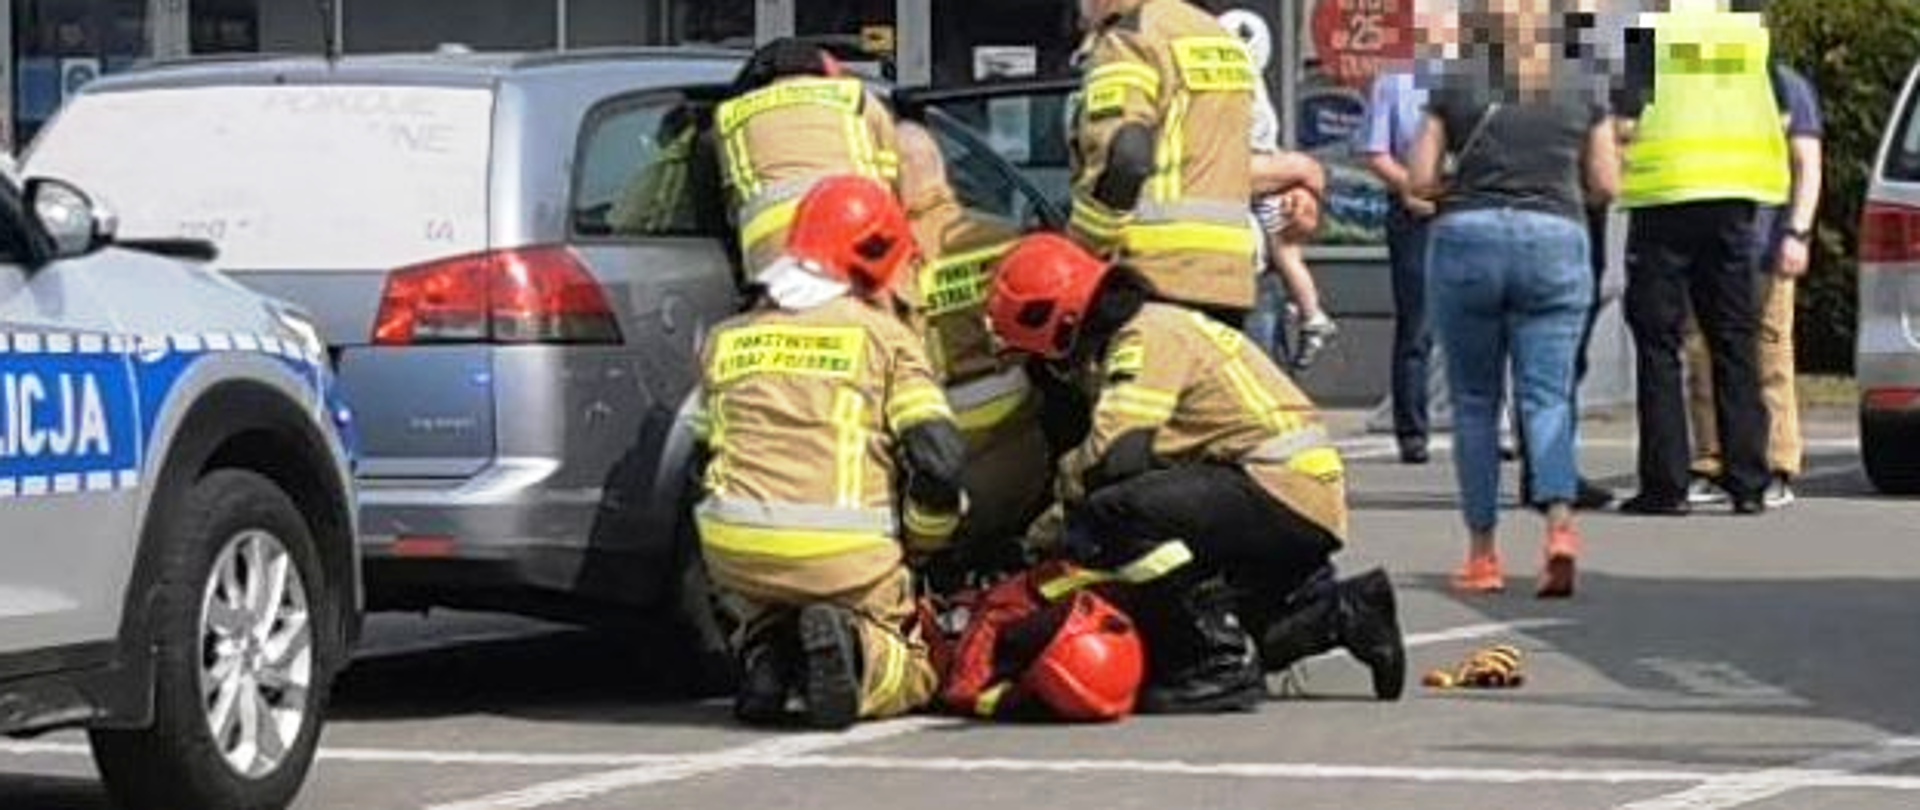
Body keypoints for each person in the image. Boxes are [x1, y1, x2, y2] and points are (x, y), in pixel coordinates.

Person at [989, 233, 1405, 714]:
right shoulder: (1159, 325)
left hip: (1276, 487)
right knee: (1202, 644)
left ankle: (1217, 664)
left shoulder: (1144, 337)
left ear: (1061, 324)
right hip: (1292, 494)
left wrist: (1045, 531)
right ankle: (1347, 612)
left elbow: (1116, 456)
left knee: (1116, 513)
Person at [691, 176, 967, 729]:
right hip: (845, 554)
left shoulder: (727, 337)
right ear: (879, 258)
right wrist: (922, 544)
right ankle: (863, 655)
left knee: (768, 595)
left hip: (735, 548)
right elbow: (939, 459)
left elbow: (702, 458)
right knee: (917, 661)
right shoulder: (885, 339)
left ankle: (766, 650)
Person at [1407, 0, 1619, 597]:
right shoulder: (1582, 83)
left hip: (1467, 239)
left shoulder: (1455, 81)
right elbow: (1606, 183)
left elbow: (1419, 177)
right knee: (1548, 397)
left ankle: (1482, 554)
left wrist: (1454, 188)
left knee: (1476, 403)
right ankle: (1559, 527)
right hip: (1554, 238)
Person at [1613, 0, 1790, 516]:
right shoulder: (1745, 32)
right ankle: (1748, 481)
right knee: (1734, 339)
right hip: (1733, 199)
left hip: (1665, 198)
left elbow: (1624, 121)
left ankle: (1665, 486)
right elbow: (1781, 114)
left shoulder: (1652, 32)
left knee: (1659, 343)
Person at [892, 122, 1053, 574]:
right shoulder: (1004, 236)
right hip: (1024, 454)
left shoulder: (889, 256)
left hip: (937, 467)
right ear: (941, 169)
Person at [1683, 59, 1824, 510]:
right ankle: (1711, 461)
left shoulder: (1783, 84)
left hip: (1766, 244)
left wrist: (1797, 232)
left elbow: (1807, 164)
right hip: (1710, 242)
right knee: (1702, 356)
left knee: (1770, 356)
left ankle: (1778, 463)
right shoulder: (1700, 77)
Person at [1068, 0, 1259, 324]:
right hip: (1229, 279)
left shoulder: (1131, 38)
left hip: (1147, 278)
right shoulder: (1221, 38)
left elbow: (1126, 156)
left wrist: (1081, 247)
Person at [714, 38, 902, 278]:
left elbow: (731, 193)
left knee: (787, 300)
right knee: (872, 295)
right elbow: (894, 175)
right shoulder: (856, 97)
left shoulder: (729, 114)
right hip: (854, 217)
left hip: (770, 232)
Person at [1219, 7, 1337, 368]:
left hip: (1244, 252)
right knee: (1286, 252)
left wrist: (1299, 179)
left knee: (1285, 249)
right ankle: (1308, 312)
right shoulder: (1251, 93)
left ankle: (1310, 313)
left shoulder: (1238, 95)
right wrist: (1297, 171)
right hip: (1228, 260)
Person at [1361, 64, 1437, 465]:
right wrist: (1411, 186)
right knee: (1417, 325)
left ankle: (1496, 426)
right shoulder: (1394, 81)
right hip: (1414, 212)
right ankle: (1412, 432)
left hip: (1471, 207)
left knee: (1485, 320)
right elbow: (1376, 152)